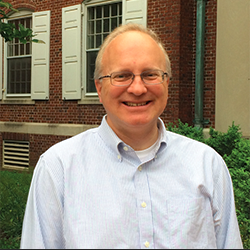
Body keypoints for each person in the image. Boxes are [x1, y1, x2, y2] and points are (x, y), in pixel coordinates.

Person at [20, 23, 243, 249]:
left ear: (166, 83)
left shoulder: (207, 165)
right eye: (122, 76)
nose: (137, 88)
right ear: (99, 87)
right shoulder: (58, 169)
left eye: (150, 74)